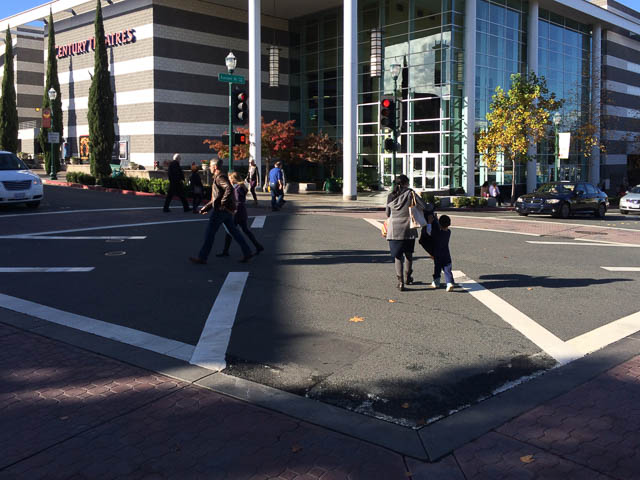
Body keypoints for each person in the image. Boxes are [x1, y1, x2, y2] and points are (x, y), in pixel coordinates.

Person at [189, 159, 253, 264]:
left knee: (209, 233)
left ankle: (202, 257)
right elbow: (216, 197)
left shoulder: (220, 177)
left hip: (220, 211)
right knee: (234, 232)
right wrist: (207, 207)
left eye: (210, 165)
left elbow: (229, 189)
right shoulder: (220, 177)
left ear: (215, 167)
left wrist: (222, 203)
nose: (209, 167)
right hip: (226, 211)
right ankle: (247, 252)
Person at [385, 174, 431, 291]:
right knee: (409, 254)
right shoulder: (410, 194)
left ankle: (400, 282)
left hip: (394, 230)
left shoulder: (391, 196)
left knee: (398, 257)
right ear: (406, 183)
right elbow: (424, 206)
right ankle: (408, 277)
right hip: (409, 228)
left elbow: (387, 214)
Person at [217, 171, 264, 257]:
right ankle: (258, 246)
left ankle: (226, 251)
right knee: (244, 230)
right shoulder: (240, 187)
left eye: (231, 179)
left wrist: (232, 210)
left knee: (230, 231)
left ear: (234, 179)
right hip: (242, 212)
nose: (230, 181)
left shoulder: (237, 188)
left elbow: (238, 201)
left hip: (237, 212)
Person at [428, 213, 454, 292]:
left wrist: (430, 222)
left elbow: (429, 232)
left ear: (439, 224)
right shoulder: (448, 232)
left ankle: (436, 282)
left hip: (437, 253)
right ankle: (449, 283)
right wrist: (436, 220)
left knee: (437, 268)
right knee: (447, 269)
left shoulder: (437, 234)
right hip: (446, 254)